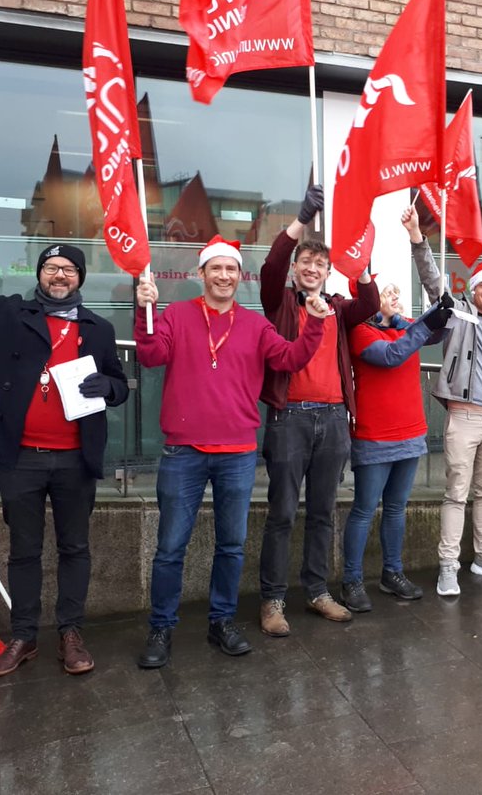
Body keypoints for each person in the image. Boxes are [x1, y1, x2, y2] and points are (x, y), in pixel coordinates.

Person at [0, 211, 128, 677]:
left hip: (75, 460)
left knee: (75, 547)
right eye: (50, 268)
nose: (59, 276)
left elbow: (120, 383)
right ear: (39, 274)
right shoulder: (6, 313)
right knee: (24, 549)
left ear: (79, 278)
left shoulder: (97, 329)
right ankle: (23, 635)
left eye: (69, 270)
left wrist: (110, 388)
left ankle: (70, 633)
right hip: (20, 457)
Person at [134, 235, 328, 669]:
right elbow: (150, 356)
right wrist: (142, 307)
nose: (224, 276)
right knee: (169, 547)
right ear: (200, 274)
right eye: (215, 268)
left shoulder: (257, 325)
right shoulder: (175, 314)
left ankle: (221, 620)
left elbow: (289, 359)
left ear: (241, 277)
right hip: (183, 450)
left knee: (231, 545)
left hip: (238, 451)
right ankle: (161, 625)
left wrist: (314, 323)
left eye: (231, 269)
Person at [257, 184, 380, 637]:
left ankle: (316, 591)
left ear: (328, 273)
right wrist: (302, 217)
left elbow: (369, 303)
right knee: (284, 512)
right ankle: (272, 599)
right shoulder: (281, 302)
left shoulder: (337, 308)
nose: (312, 268)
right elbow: (271, 266)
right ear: (297, 270)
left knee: (324, 511)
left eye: (320, 264)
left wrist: (359, 260)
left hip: (332, 420)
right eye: (306, 262)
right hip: (289, 418)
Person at [405, 208, 482, 597]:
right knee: (456, 492)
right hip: (464, 418)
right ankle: (448, 565)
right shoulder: (459, 316)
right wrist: (419, 239)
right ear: (473, 289)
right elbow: (434, 285)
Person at [340, 267, 453, 613]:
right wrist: (422, 324)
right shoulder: (359, 331)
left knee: (396, 508)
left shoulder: (403, 324)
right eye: (384, 293)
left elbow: (434, 334)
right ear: (367, 301)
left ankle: (393, 572)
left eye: (394, 292)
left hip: (411, 431)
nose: (393, 297)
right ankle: (352, 579)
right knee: (363, 509)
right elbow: (391, 356)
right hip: (374, 435)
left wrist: (441, 308)